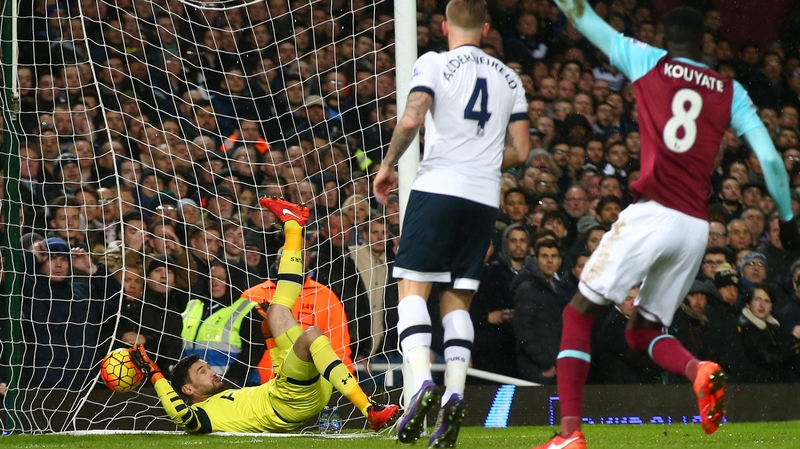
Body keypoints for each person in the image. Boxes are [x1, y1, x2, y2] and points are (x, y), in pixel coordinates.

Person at [534, 3, 793, 448]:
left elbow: (582, 15)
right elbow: (770, 159)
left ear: (665, 36)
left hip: (652, 212)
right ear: (704, 44)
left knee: (577, 313)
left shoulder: (647, 58)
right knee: (643, 331)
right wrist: (788, 217)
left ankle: (569, 434)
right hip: (695, 226)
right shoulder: (730, 90)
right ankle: (698, 369)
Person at [371, 1, 530, 446]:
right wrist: (480, 156)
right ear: (484, 27)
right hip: (483, 197)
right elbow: (521, 150)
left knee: (412, 290)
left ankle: (421, 382)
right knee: (456, 301)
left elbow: (411, 118)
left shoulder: (435, 63)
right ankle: (455, 394)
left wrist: (388, 165)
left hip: (438, 187)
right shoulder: (509, 78)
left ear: (444, 26)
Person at [130, 198, 397, 434]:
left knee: (278, 311)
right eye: (202, 371)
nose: (210, 371)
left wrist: (270, 338)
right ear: (188, 391)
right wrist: (154, 374)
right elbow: (180, 414)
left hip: (295, 388)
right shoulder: (202, 416)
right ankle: (369, 408)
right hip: (292, 400)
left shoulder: (231, 394)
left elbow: (279, 369)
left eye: (206, 367)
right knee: (311, 333)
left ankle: (293, 225)